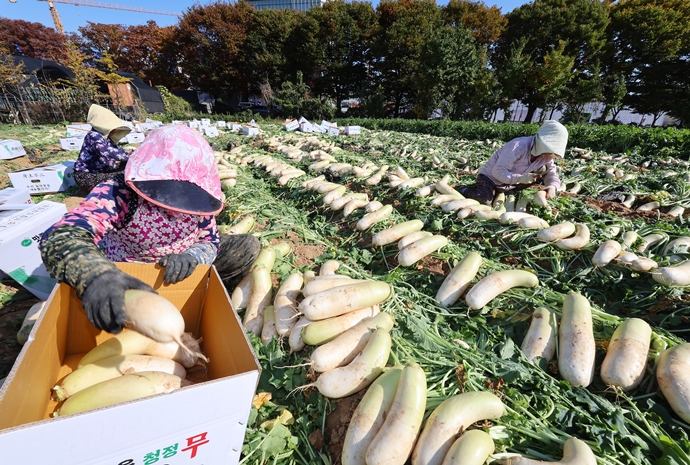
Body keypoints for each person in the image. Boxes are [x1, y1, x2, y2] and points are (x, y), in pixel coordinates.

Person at [40, 125, 261, 334]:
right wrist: (96, 274)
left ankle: (196, 287)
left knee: (247, 247)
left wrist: (192, 256)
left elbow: (210, 240)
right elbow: (63, 234)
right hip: (131, 272)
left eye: (186, 195)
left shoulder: (202, 199)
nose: (177, 206)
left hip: (182, 267)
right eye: (167, 193)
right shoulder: (119, 191)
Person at [459, 120, 568, 205]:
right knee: (484, 200)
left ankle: (506, 191)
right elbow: (498, 171)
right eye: (548, 149)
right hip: (491, 178)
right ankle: (463, 189)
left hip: (511, 183)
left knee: (543, 170)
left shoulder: (547, 156)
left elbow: (551, 173)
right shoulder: (518, 146)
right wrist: (520, 179)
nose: (550, 154)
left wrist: (552, 186)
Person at [73, 104, 133, 194]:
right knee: (124, 176)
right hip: (87, 177)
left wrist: (133, 154)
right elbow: (107, 151)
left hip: (100, 173)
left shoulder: (106, 138)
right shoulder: (93, 136)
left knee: (127, 168)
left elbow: (118, 150)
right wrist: (132, 156)